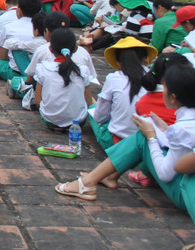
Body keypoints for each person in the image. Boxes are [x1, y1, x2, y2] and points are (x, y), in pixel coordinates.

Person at [55, 60, 195, 224]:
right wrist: (165, 129)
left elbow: (165, 173)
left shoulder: (182, 128)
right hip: (186, 179)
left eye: (164, 87)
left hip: (184, 191)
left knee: (141, 138)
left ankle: (88, 182)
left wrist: (151, 137)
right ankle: (103, 177)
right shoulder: (187, 120)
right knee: (144, 136)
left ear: (173, 97)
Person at [88, 37, 155, 187]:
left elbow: (100, 117)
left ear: (118, 62)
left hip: (116, 142)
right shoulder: (155, 80)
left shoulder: (114, 78)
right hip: (148, 144)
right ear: (146, 59)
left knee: (92, 110)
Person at [34, 28, 94, 130]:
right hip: (78, 122)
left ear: (50, 49)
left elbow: (38, 101)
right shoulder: (82, 70)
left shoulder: (43, 68)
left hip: (50, 120)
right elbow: (88, 102)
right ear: (75, 48)